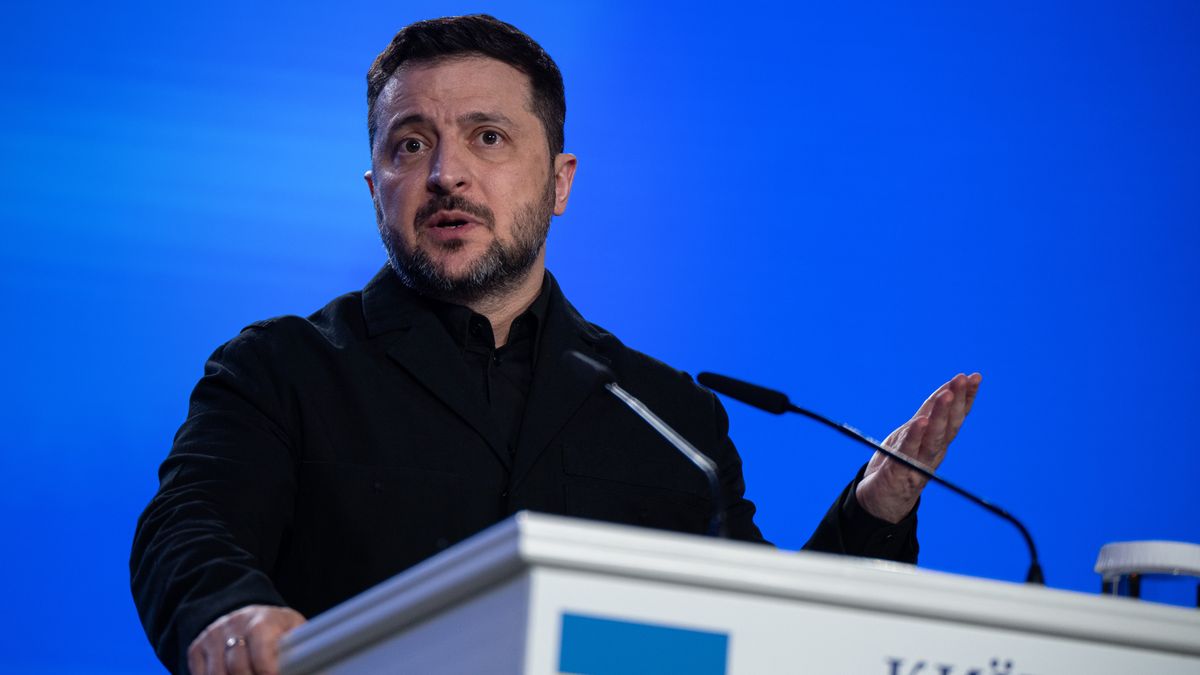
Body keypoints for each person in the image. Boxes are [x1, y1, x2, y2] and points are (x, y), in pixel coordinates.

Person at [130, 14, 981, 675]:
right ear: (375, 187)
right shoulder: (280, 370)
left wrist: (872, 517)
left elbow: (771, 639)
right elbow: (188, 525)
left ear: (559, 181)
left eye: (488, 137)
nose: (446, 174)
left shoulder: (667, 416)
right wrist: (227, 610)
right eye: (410, 144)